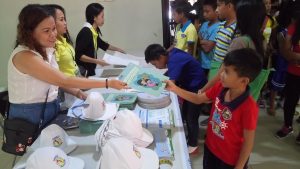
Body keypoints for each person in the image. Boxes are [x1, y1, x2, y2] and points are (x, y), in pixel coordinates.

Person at [7, 4, 127, 129]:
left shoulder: (46, 51)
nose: (53, 34)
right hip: (29, 117)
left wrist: (77, 92)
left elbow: (55, 80)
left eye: (53, 29)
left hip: (49, 110)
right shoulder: (24, 56)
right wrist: (108, 83)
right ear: (30, 32)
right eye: (46, 31)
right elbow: (63, 79)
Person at [165, 48, 262, 169]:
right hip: (211, 148)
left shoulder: (249, 107)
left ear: (243, 81)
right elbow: (198, 99)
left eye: (226, 72)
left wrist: (239, 167)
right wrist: (174, 88)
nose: (220, 74)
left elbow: (248, 143)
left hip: (229, 159)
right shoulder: (220, 87)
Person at [144, 44, 207, 154]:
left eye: (155, 64)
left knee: (191, 117)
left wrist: (148, 85)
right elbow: (169, 76)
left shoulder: (174, 61)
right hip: (190, 86)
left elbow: (170, 84)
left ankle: (193, 144)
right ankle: (190, 136)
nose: (156, 67)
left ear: (160, 57)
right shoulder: (172, 54)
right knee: (187, 113)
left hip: (197, 89)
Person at [201, 0, 267, 101]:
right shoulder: (262, 41)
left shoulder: (240, 42)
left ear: (242, 18)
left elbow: (222, 72)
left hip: (234, 95)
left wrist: (203, 90)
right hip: (249, 96)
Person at [45, 4, 87, 106]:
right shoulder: (53, 46)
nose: (65, 23)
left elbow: (72, 66)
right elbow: (57, 77)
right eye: (61, 19)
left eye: (65, 19)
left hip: (75, 86)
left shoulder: (64, 41)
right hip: (66, 93)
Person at [75, 3, 125, 77]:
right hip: (83, 72)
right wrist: (98, 61)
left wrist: (118, 49)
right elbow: (79, 56)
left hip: (91, 69)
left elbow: (102, 44)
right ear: (94, 17)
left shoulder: (93, 30)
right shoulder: (86, 32)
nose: (103, 19)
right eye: (102, 16)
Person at [275, 2, 300, 143]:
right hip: (293, 73)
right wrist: (294, 56)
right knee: (290, 101)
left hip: (294, 68)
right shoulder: (294, 27)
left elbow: (290, 52)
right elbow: (286, 52)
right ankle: (287, 125)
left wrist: (294, 55)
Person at [206, 0, 237, 81]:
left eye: (219, 6)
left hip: (226, 70)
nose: (216, 10)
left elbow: (233, 58)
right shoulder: (220, 25)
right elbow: (217, 49)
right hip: (215, 66)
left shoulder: (236, 29)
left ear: (229, 6)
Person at [198, 0, 220, 76]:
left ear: (216, 11)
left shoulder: (219, 27)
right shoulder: (204, 24)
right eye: (203, 11)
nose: (204, 14)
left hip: (211, 65)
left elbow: (207, 49)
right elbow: (197, 40)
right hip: (201, 63)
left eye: (207, 12)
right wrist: (204, 42)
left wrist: (200, 40)